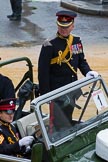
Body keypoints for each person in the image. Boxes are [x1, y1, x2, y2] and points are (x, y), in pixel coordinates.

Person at [38, 10, 99, 131]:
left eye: (66, 27)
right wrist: (46, 94)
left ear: (72, 26)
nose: (63, 29)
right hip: (56, 92)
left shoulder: (76, 41)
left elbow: (81, 61)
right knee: (56, 123)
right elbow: (43, 72)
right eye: (61, 26)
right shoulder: (49, 45)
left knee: (68, 117)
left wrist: (88, 72)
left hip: (72, 89)